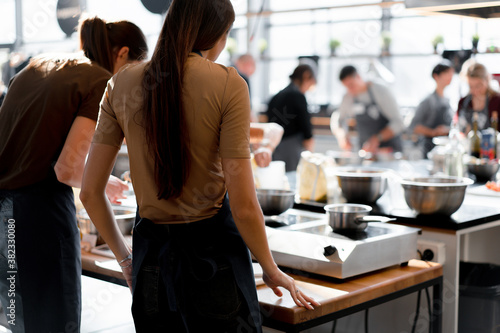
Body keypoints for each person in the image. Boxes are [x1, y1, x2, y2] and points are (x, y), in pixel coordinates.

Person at [79, 1, 319, 332]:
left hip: (151, 265)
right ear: (213, 36)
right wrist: (269, 266)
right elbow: (246, 206)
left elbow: (91, 192)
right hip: (212, 262)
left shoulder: (119, 84)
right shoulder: (228, 84)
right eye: (227, 34)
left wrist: (127, 262)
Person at [0, 17, 147, 332]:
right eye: (135, 68)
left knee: (18, 321)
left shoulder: (40, 66)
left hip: (5, 218)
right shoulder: (100, 81)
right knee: (55, 324)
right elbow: (66, 169)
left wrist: (102, 180)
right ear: (122, 54)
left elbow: (37, 150)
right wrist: (126, 259)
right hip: (41, 220)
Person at [331, 65, 404, 154]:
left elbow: (399, 123)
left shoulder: (381, 91)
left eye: (351, 85)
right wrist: (341, 135)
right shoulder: (348, 97)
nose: (350, 90)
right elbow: (338, 119)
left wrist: (377, 139)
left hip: (389, 152)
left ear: (358, 77)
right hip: (365, 152)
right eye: (346, 87)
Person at [266, 64, 316, 172]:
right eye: (310, 84)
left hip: (274, 145)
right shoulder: (297, 96)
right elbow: (305, 124)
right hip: (291, 147)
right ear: (306, 76)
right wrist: (310, 151)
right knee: (293, 179)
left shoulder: (276, 96)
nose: (308, 89)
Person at [410, 60, 455, 157]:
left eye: (451, 73)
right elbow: (413, 127)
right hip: (429, 150)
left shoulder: (448, 100)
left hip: (445, 150)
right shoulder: (427, 101)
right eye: (446, 73)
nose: (450, 76)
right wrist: (433, 132)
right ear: (436, 76)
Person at [457, 62, 500, 134]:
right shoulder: (463, 102)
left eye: (478, 86)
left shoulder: (496, 101)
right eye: (471, 86)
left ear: (487, 80)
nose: (475, 91)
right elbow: (460, 131)